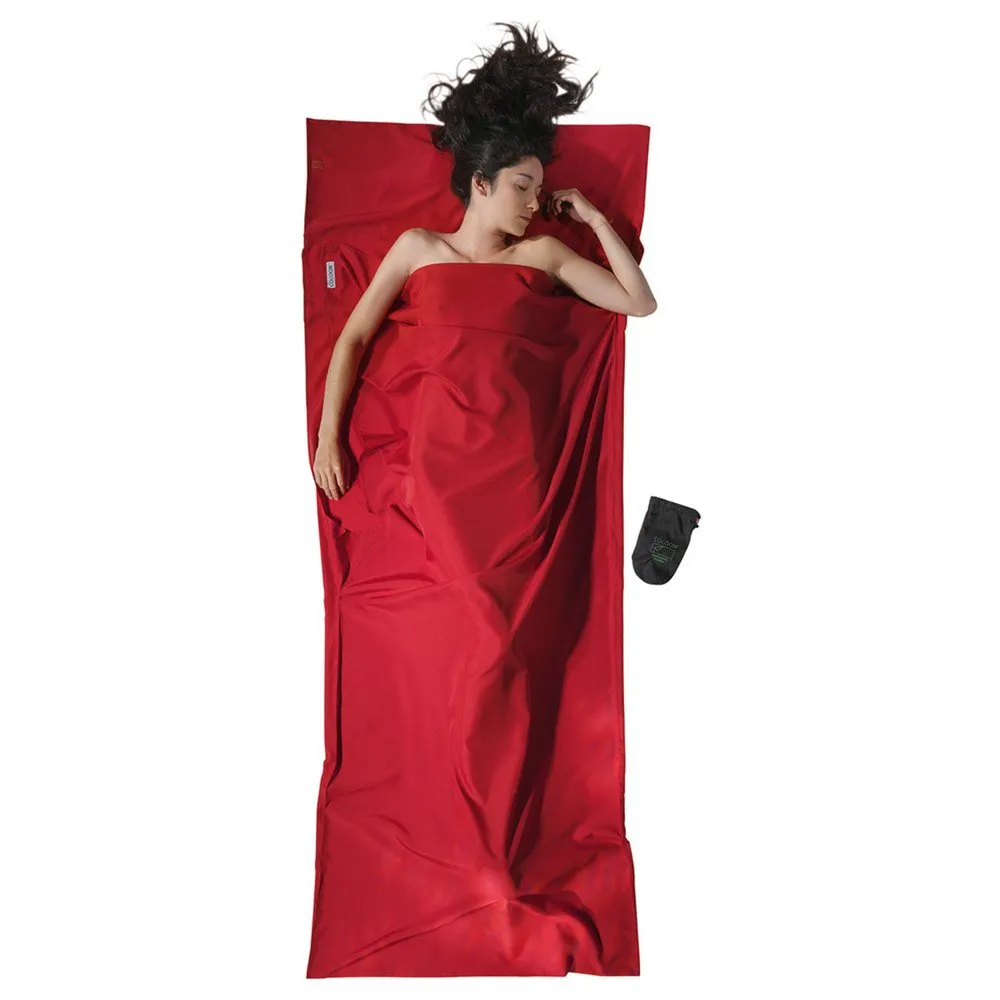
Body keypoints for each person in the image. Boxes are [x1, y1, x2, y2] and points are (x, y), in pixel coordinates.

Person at [312, 20, 656, 503]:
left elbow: (640, 303)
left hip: (518, 469)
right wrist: (328, 438)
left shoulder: (543, 253)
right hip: (430, 463)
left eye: (539, 190)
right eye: (522, 186)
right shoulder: (418, 247)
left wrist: (596, 220)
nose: (534, 202)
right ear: (481, 182)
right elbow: (353, 338)